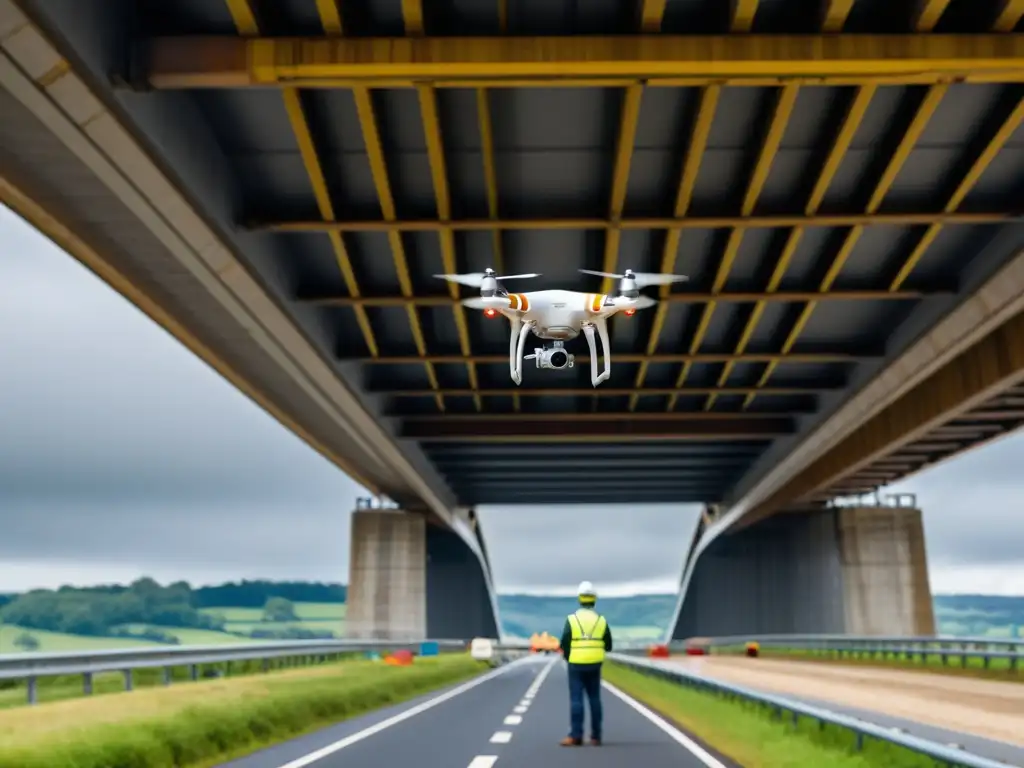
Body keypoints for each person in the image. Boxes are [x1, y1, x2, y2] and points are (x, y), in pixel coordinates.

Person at [558, 580, 613, 746]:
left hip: (575, 664)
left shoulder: (572, 619)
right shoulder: (601, 621)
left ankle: (576, 735)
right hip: (595, 663)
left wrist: (568, 656)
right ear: (594, 599)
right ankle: (596, 736)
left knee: (576, 699)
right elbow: (609, 645)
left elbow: (564, 642)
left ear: (579, 599)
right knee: (594, 699)